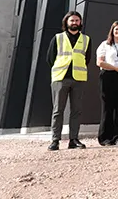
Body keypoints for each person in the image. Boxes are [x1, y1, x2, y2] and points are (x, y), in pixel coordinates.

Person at [47, 11, 92, 151]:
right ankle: (55, 140)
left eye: (77, 20)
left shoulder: (86, 39)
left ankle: (74, 139)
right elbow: (50, 58)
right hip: (60, 78)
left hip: (78, 78)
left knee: (76, 110)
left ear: (80, 23)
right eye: (72, 20)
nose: (74, 23)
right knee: (57, 111)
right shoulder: (58, 38)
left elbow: (87, 58)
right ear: (66, 22)